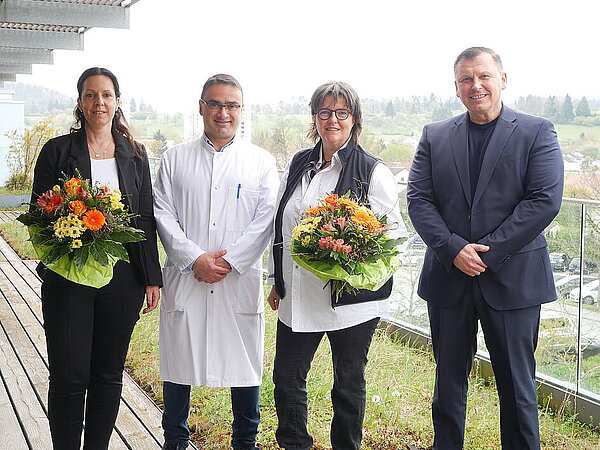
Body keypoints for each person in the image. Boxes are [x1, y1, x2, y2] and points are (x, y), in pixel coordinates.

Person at [407, 47, 564, 449]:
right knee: (447, 386)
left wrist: (485, 252)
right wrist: (453, 249)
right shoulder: (435, 134)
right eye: (465, 79)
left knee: (518, 389)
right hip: (448, 275)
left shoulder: (536, 130)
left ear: (502, 79)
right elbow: (419, 200)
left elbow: (543, 200)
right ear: (456, 87)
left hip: (513, 280)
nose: (475, 86)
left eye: (484, 76)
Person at [267, 81, 407, 450]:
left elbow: (396, 238)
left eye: (341, 112)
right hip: (298, 294)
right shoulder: (300, 163)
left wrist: (352, 262)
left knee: (347, 383)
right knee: (287, 379)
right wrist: (275, 278)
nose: (332, 119)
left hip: (353, 302)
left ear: (355, 119)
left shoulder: (372, 172)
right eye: (324, 112)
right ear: (315, 118)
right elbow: (281, 224)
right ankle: (295, 444)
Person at [31, 67, 162, 449]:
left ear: (117, 102)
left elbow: (145, 217)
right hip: (69, 276)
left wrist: (151, 276)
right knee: (69, 375)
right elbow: (40, 216)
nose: (98, 102)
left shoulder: (135, 155)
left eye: (106, 95)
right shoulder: (57, 150)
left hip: (123, 279)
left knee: (107, 373)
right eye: (90, 95)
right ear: (80, 102)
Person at [153, 74, 279, 450]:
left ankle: (245, 440)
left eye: (232, 105)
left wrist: (228, 263)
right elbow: (162, 214)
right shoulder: (175, 159)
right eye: (215, 104)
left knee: (244, 366)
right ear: (201, 108)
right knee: (178, 363)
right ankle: (174, 439)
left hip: (237, 281)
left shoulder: (260, 162)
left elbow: (266, 218)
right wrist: (194, 259)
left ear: (242, 110)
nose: (223, 112)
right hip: (186, 278)